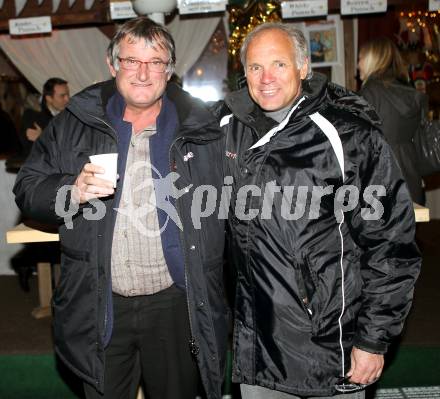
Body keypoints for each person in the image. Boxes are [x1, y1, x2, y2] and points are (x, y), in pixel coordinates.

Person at [13, 17, 229, 399]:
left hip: (175, 303)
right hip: (100, 300)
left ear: (169, 70)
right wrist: (72, 190)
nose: (143, 73)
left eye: (156, 62)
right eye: (132, 61)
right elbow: (28, 189)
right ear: (113, 66)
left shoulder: (201, 129)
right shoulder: (74, 125)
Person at [216, 23, 421, 398]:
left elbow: (391, 245)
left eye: (278, 64)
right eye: (255, 67)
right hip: (256, 347)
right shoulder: (227, 127)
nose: (266, 79)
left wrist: (373, 340)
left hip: (329, 345)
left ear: (303, 67)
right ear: (243, 72)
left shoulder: (349, 135)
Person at [358, 37, 428, 205]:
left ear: (372, 59)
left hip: (381, 184)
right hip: (411, 180)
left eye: (360, 59)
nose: (358, 65)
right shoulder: (408, 90)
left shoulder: (370, 93)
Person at [18, 77, 70, 156]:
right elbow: (31, 149)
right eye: (62, 96)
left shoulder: (70, 115)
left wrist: (43, 137)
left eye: (68, 94)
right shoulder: (33, 116)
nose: (67, 99)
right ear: (49, 98)